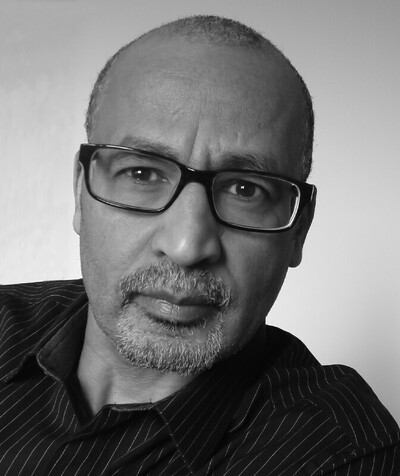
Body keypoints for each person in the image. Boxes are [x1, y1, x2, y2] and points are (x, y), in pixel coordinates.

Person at [0, 15, 398, 475]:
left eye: (245, 190)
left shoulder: (339, 457)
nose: (187, 246)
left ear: (298, 230)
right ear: (79, 192)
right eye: (142, 173)